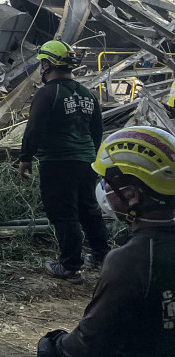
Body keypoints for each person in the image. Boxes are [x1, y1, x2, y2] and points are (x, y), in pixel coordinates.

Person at [37, 126, 175, 356]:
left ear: (131, 195)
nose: (102, 188)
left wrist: (52, 343)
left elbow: (85, 347)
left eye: (106, 180)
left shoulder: (132, 261)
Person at [18, 40, 109, 282]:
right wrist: (92, 157)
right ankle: (102, 257)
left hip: (58, 163)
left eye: (42, 63)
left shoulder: (47, 93)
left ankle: (70, 266)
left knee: (64, 214)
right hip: (87, 161)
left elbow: (34, 129)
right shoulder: (87, 94)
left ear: (47, 64)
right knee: (89, 210)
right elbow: (97, 131)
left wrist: (25, 157)